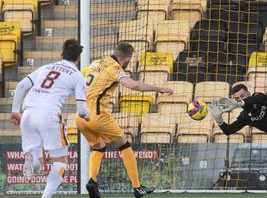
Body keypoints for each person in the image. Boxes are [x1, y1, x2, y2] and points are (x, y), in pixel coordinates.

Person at [75, 42, 173, 198]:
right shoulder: (116, 69)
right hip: (98, 115)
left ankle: (92, 181)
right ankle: (137, 187)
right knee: (124, 145)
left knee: (99, 147)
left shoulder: (96, 63)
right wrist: (159, 89)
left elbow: (82, 78)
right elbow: (133, 86)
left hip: (80, 117)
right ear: (127, 59)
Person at [10, 39, 90, 198]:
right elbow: (81, 111)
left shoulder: (45, 67)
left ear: (61, 54)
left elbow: (21, 86)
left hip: (28, 113)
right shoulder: (77, 76)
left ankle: (33, 159)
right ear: (78, 59)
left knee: (37, 160)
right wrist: (88, 116)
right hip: (49, 114)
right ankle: (45, 196)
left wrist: (14, 111)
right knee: (60, 162)